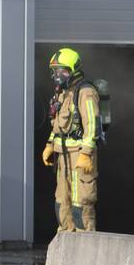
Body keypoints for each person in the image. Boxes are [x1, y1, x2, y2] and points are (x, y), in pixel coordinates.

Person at [42, 47, 101, 233]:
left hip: (80, 156)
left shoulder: (85, 92)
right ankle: (65, 238)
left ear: (74, 70)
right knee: (62, 201)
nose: (58, 75)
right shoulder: (62, 93)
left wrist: (86, 153)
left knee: (81, 202)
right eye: (55, 71)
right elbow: (58, 126)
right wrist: (50, 145)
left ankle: (85, 241)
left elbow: (92, 124)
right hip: (63, 156)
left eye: (62, 71)